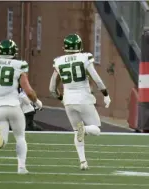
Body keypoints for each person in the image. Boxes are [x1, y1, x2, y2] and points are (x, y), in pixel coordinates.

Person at [49, 34, 111, 170]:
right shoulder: (84, 58)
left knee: (77, 131)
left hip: (68, 100)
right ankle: (85, 130)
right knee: (95, 129)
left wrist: (61, 98)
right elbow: (96, 78)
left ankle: (83, 162)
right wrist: (105, 94)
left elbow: (52, 88)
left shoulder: (59, 61)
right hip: (83, 98)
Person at [0, 39, 42, 173]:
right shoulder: (19, 65)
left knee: (2, 141)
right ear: (14, 52)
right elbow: (28, 90)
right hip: (14, 107)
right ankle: (21, 167)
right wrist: (36, 102)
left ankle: (1, 140)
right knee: (20, 137)